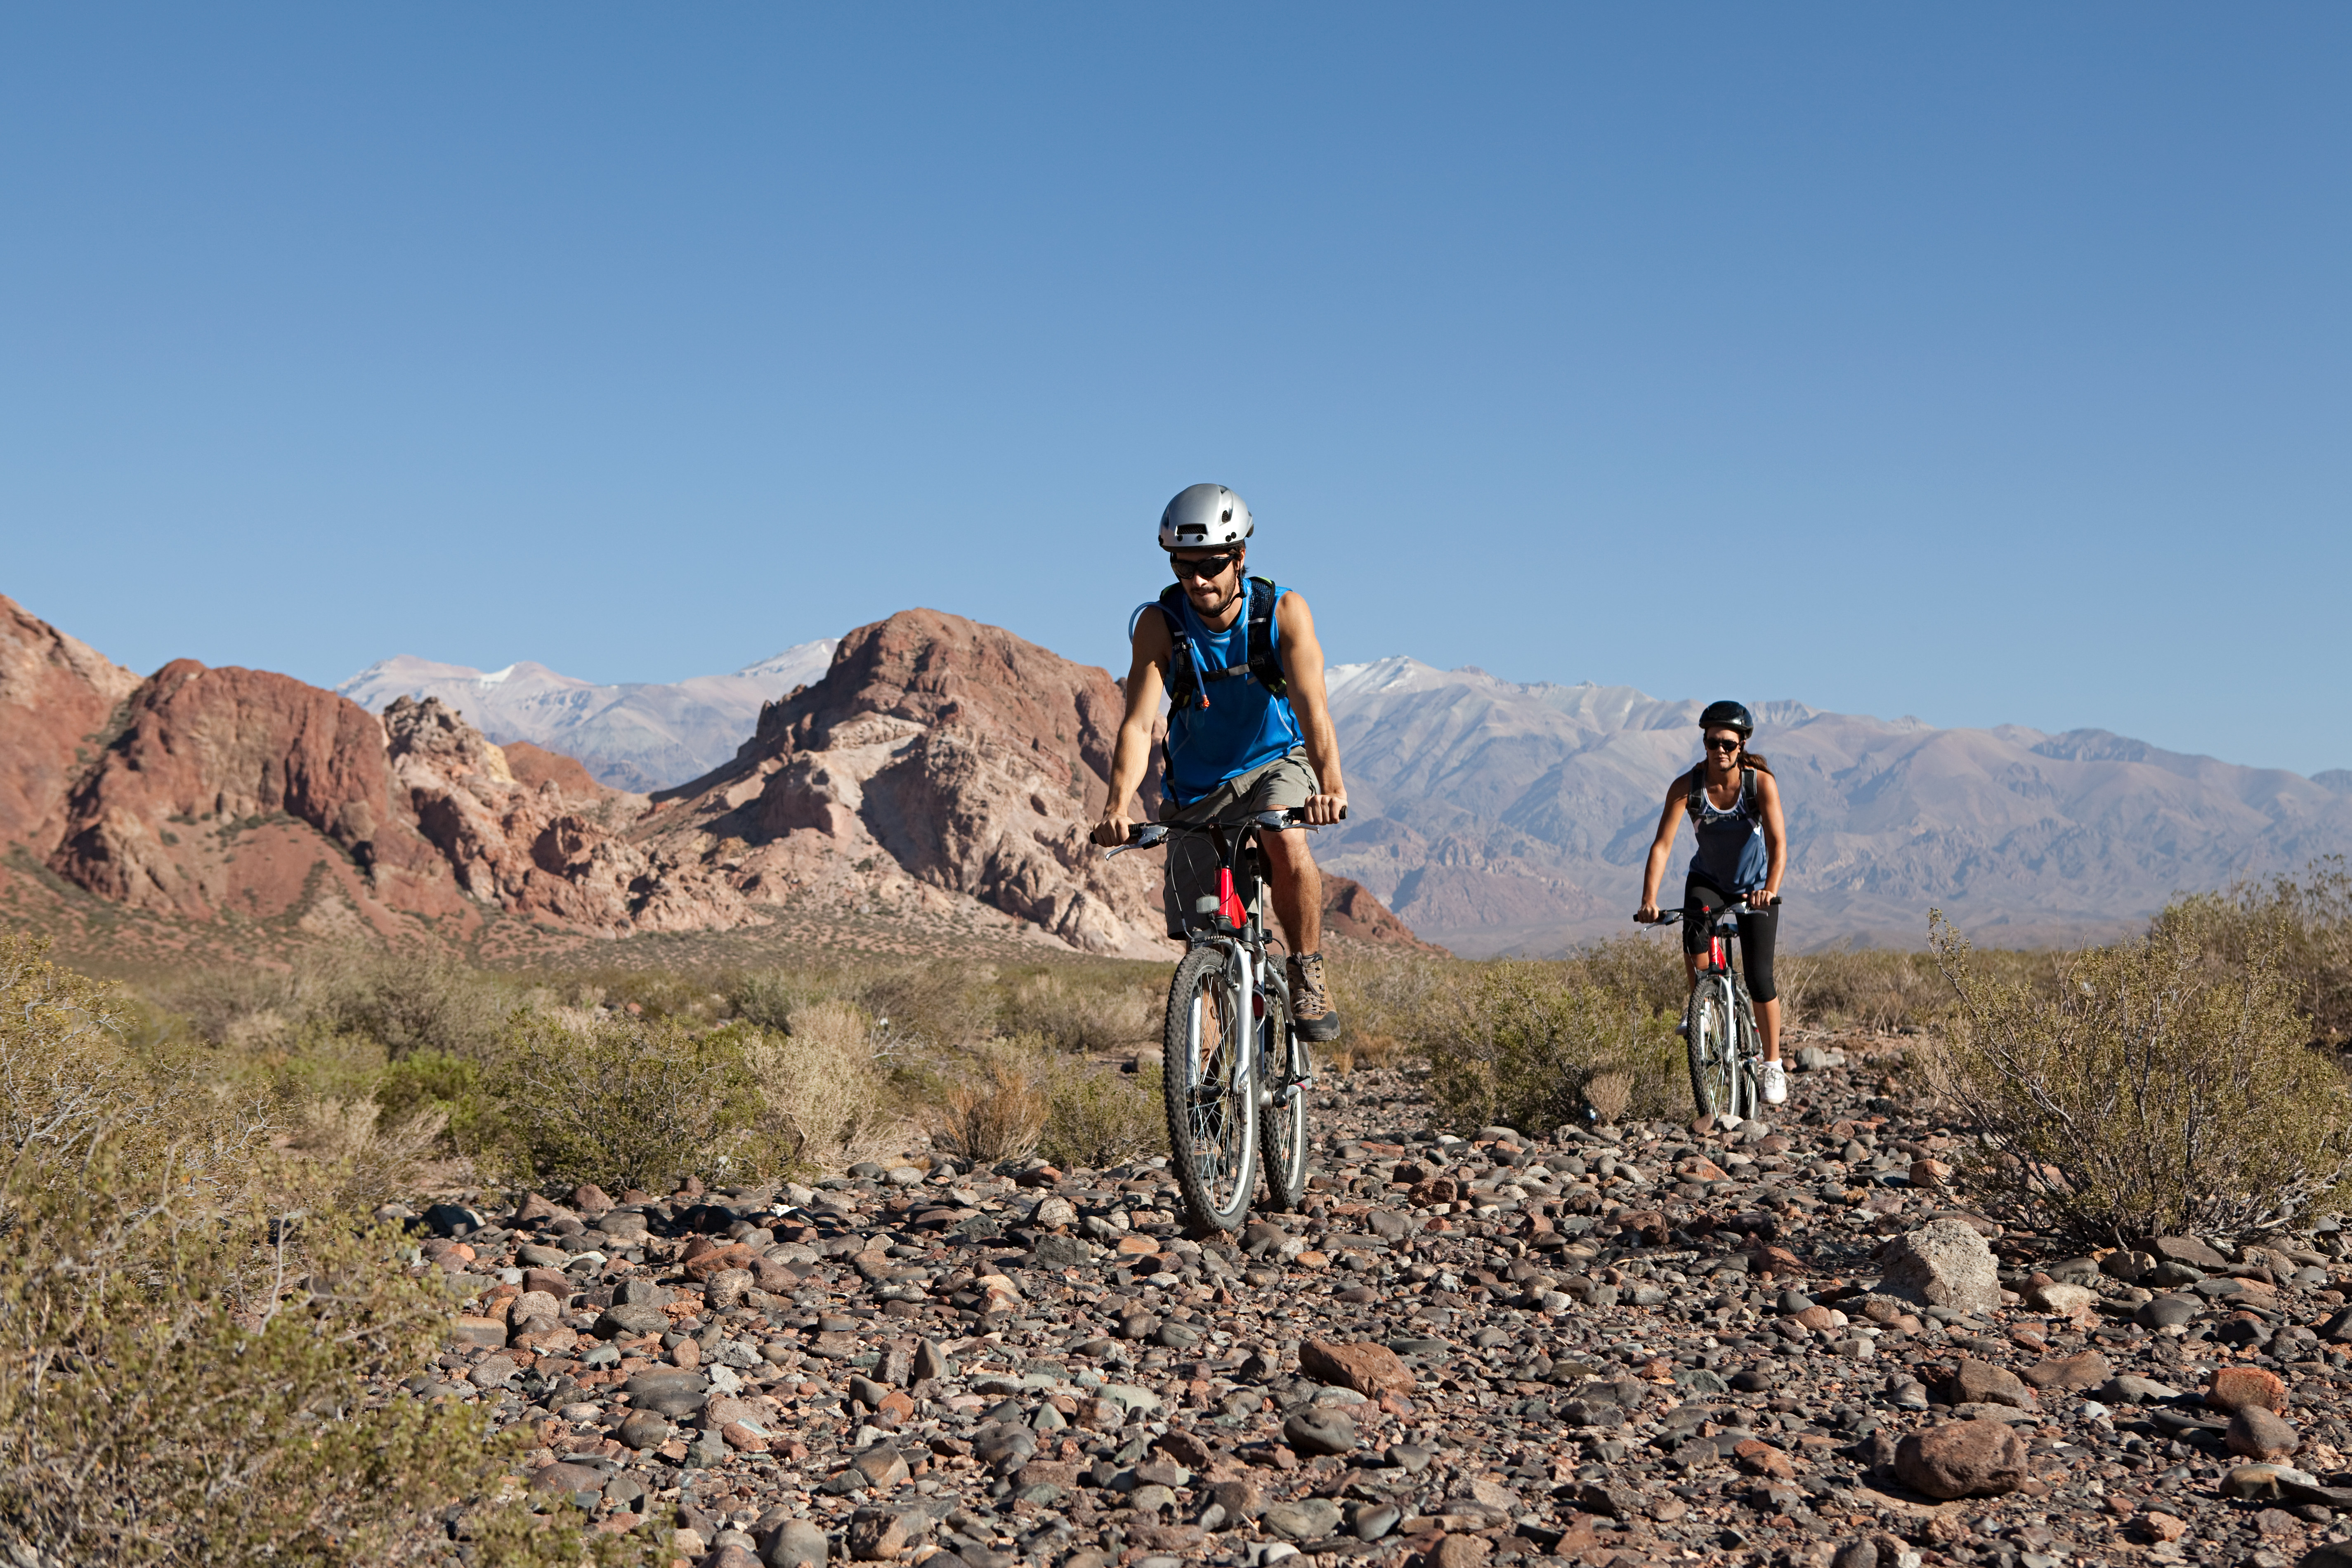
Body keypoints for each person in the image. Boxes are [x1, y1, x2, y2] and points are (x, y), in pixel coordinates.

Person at [1092, 484, 1351, 1041]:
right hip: (1196, 786)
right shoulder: (1161, 624)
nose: (1198, 580)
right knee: (1206, 938)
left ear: (1239, 556)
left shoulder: (1282, 612)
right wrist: (1116, 806)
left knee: (1284, 837)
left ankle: (1306, 969)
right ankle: (1215, 1066)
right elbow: (1138, 723)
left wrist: (1330, 785)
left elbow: (1313, 706)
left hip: (1274, 760)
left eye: (1210, 565)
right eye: (1183, 566)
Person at [1634, 699, 1790, 1104]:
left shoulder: (1759, 784)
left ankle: (1772, 1064)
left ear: (1742, 746)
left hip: (1753, 887)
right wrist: (1649, 899)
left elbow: (1778, 844)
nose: (1720, 750)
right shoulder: (1687, 787)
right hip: (1708, 881)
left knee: (1760, 977)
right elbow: (1662, 845)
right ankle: (1702, 1008)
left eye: (1728, 743)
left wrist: (1769, 888)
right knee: (1694, 935)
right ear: (1704, 742)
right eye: (1712, 742)